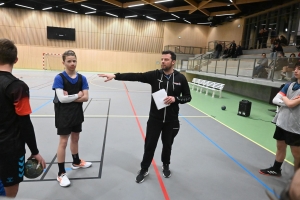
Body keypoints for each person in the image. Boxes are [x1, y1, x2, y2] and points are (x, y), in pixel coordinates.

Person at [99, 50, 192, 183]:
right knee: (149, 145)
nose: (163, 62)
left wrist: (176, 99)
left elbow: (188, 97)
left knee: (167, 145)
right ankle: (144, 169)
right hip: (155, 119)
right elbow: (136, 76)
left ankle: (166, 165)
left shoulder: (180, 78)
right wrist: (115, 75)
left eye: (166, 59)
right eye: (162, 59)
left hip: (171, 120)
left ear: (173, 62)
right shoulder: (155, 75)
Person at [0, 38, 46, 198]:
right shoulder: (17, 87)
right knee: (10, 192)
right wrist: (35, 151)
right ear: (16, 60)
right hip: (9, 149)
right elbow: (24, 123)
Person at [52, 50, 91, 187]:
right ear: (63, 62)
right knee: (63, 142)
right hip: (63, 115)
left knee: (76, 138)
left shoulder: (82, 78)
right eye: (69, 61)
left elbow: (85, 98)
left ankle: (76, 162)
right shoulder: (59, 78)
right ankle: (61, 173)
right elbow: (62, 99)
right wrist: (77, 95)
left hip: (76, 114)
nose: (72, 63)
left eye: (74, 60)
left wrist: (70, 97)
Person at [259, 61, 300, 177]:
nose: (295, 71)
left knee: (296, 153)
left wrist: (285, 98)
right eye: (295, 68)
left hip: (296, 126)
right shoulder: (289, 85)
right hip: (282, 122)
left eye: (299, 69)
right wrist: (289, 101)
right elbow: (275, 100)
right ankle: (276, 169)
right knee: (280, 146)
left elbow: (288, 103)